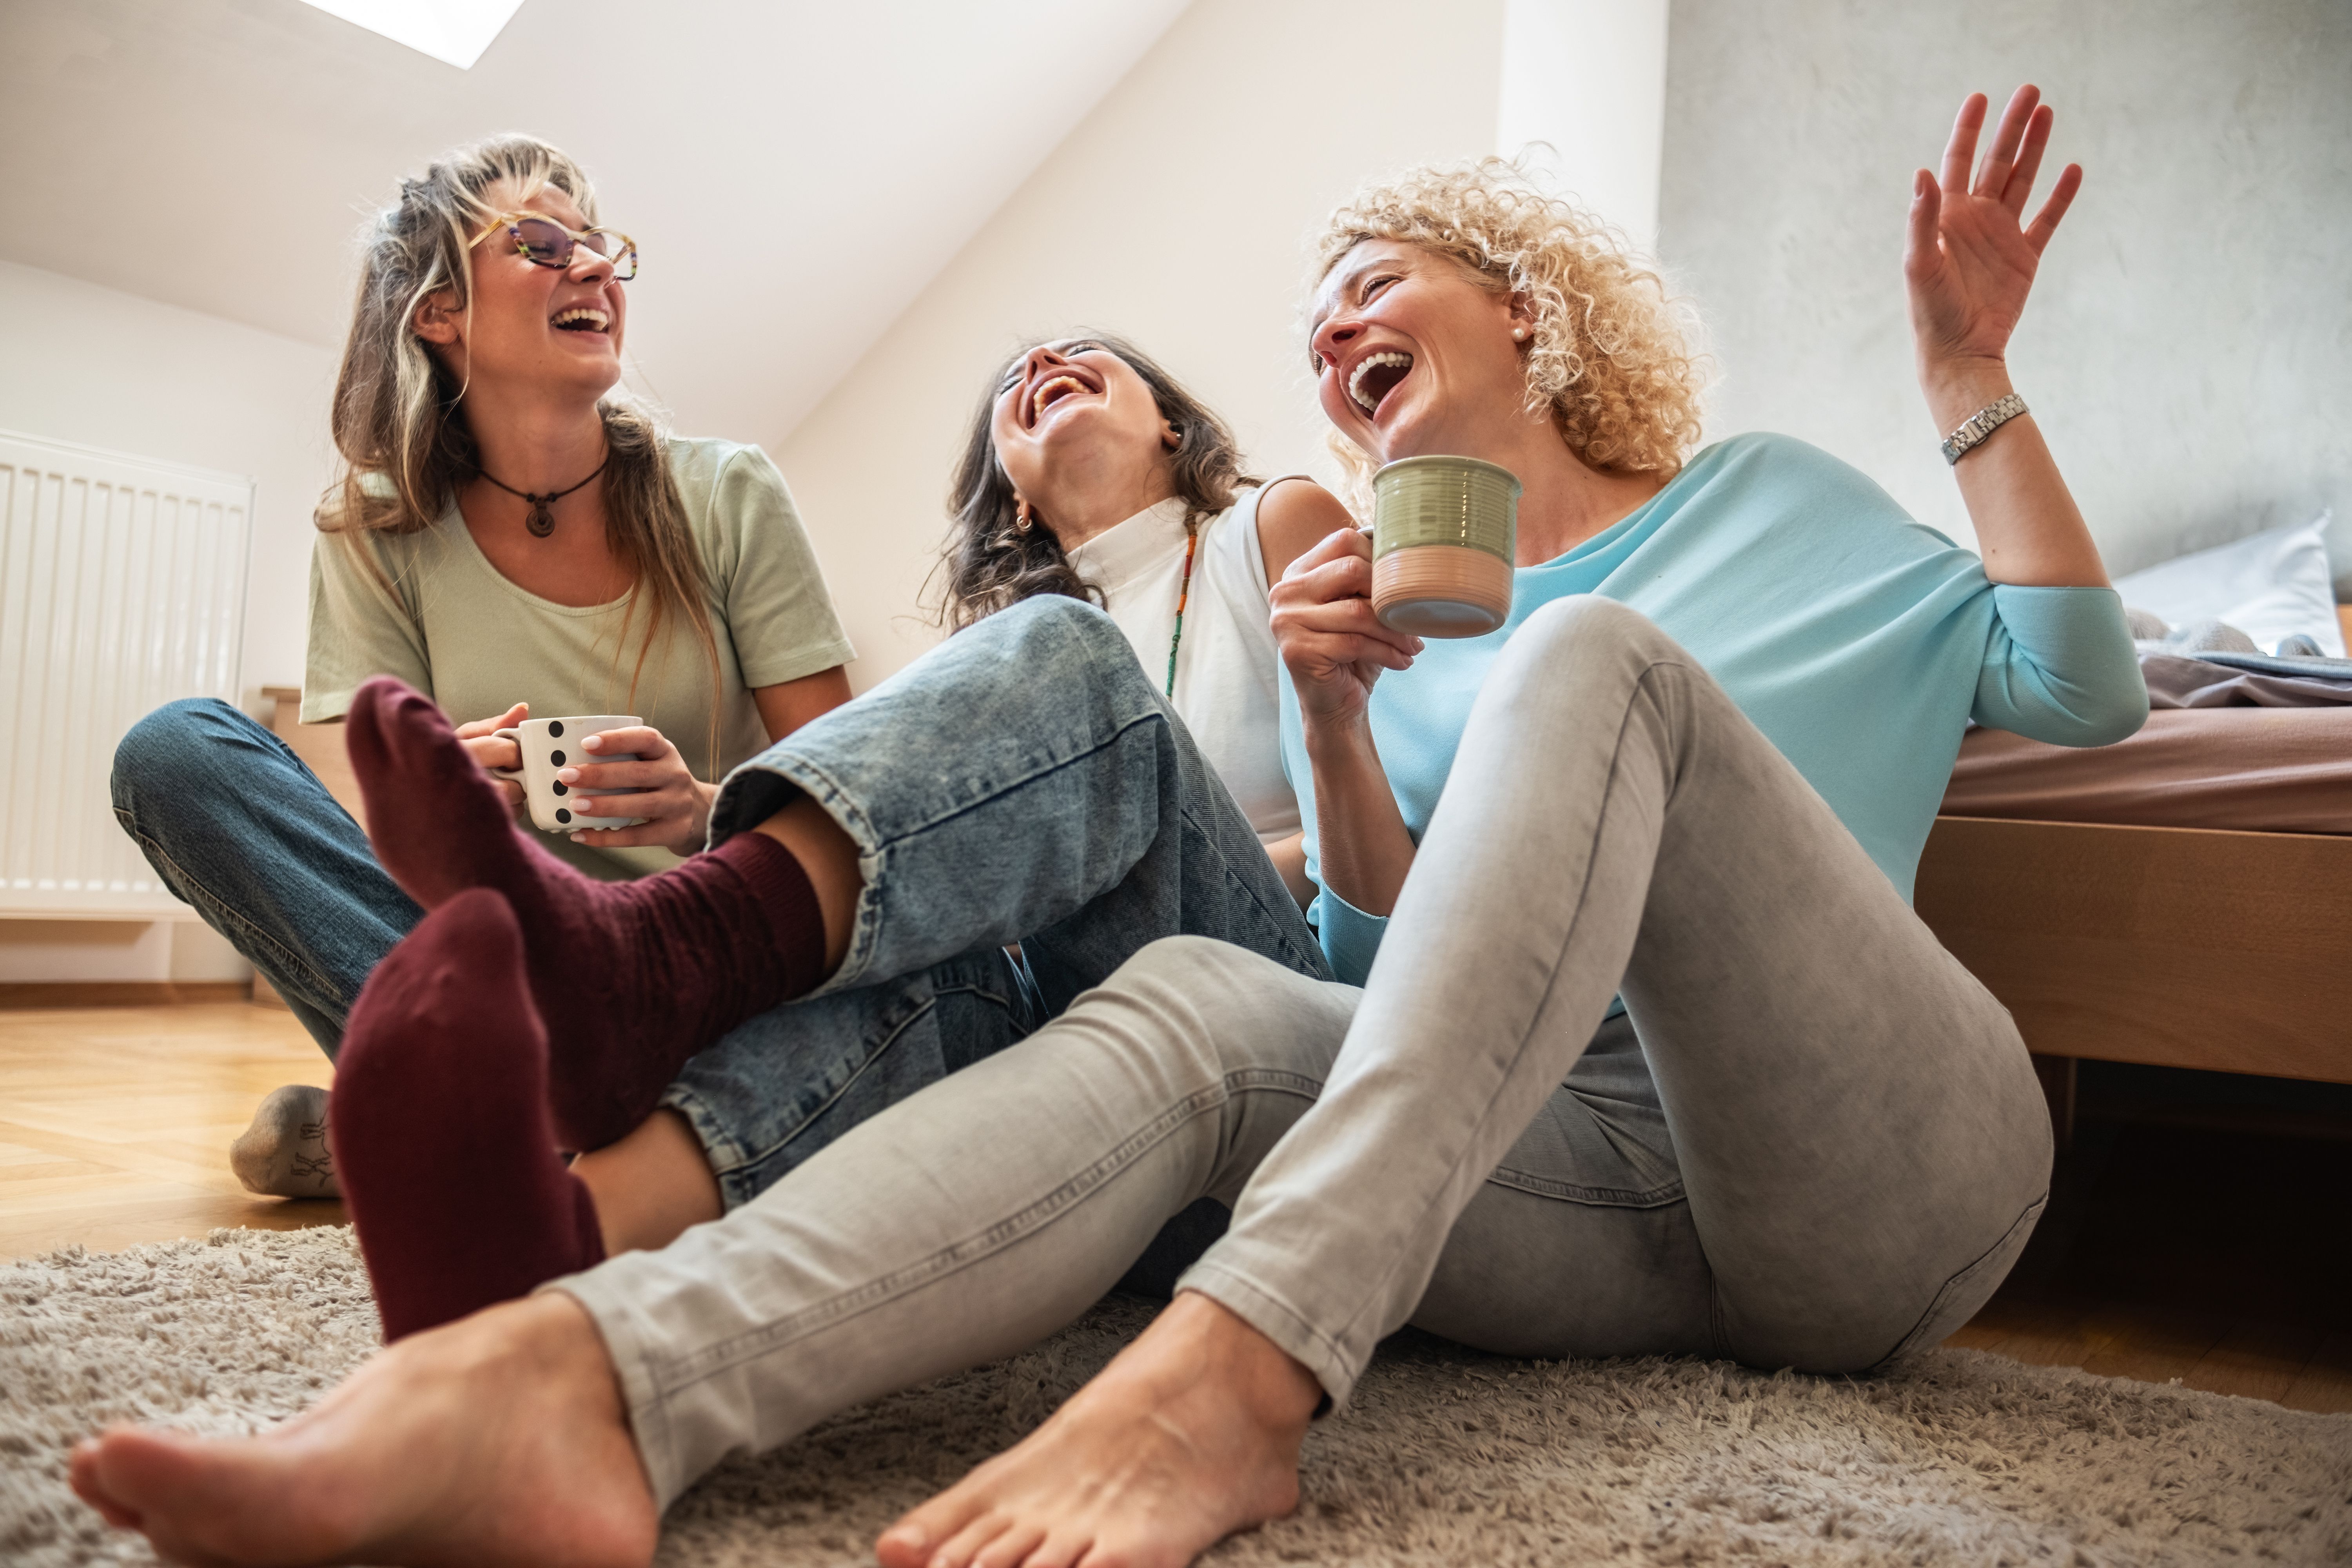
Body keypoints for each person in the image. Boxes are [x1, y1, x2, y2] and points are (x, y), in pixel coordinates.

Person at [74, 87, 2146, 1568]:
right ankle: (578, 1370)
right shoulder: (1392, 626)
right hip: (1554, 1180)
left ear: (1530, 306)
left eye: (1373, 281)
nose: (1333, 336)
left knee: (1586, 662)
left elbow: (2078, 688)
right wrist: (1341, 719)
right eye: (1318, 328)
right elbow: (1380, 996)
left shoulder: (1767, 507)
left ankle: (1230, 1379)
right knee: (1177, 1003)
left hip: (1872, 1186)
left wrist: (1971, 379)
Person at [106, 135, 856, 1202]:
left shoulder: (727, 492)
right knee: (175, 753)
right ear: (438, 312)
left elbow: (857, 796)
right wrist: (445, 799)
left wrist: (700, 807)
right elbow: (381, 848)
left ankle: (440, 1126)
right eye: (543, 242)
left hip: (692, 972)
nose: (593, 266)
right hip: (502, 970)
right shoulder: (376, 526)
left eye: (599, 247)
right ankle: (538, 1132)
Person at [942, 333, 1352, 904]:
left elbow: (1399, 801)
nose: (1041, 364)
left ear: (1169, 423)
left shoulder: (1274, 524)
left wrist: (1156, 899)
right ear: (1017, 498)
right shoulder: (1011, 666)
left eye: (1080, 350)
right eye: (1013, 384)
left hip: (1294, 940)